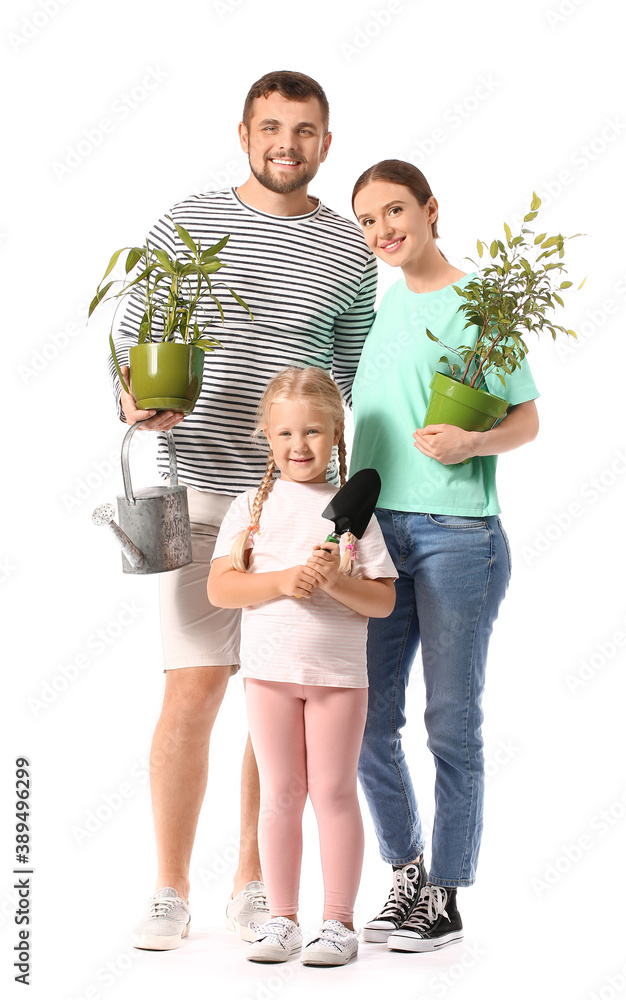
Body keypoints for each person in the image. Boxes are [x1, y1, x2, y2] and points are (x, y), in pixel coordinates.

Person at [109, 71, 377, 950]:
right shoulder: (189, 221)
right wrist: (132, 398)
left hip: (294, 496)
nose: (286, 145)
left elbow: (352, 369)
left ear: (326, 144)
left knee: (280, 693)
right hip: (198, 485)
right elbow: (133, 331)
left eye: (304, 131)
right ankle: (168, 888)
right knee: (192, 688)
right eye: (271, 128)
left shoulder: (346, 249)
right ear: (243, 134)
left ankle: (255, 884)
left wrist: (342, 486)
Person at [349, 160, 540, 952]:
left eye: (395, 211)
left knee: (450, 723)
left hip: (456, 535)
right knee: (365, 716)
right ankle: (405, 870)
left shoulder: (481, 304)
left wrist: (473, 441)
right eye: (367, 221)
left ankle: (446, 893)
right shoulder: (386, 304)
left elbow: (526, 419)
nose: (383, 230)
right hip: (376, 534)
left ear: (429, 209)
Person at [207, 366, 397, 966]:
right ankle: (282, 919)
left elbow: (385, 599)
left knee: (333, 793)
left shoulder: (355, 513)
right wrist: (286, 580)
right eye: (286, 434)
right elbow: (221, 589)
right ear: (266, 435)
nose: (299, 446)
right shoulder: (249, 509)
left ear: (336, 433)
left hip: (338, 677)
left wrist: (338, 583)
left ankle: (338, 921)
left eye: (313, 432)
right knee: (281, 796)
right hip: (268, 674)